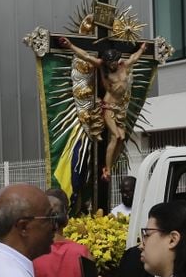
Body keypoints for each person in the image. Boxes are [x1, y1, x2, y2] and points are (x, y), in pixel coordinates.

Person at [58, 38, 149, 180]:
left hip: (120, 108)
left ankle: (110, 166)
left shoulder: (124, 65)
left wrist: (142, 49)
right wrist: (70, 45)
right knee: (116, 136)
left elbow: (134, 57)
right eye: (110, 63)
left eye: (114, 62)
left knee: (122, 137)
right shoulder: (102, 66)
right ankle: (106, 170)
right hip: (108, 107)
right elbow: (86, 56)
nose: (112, 65)